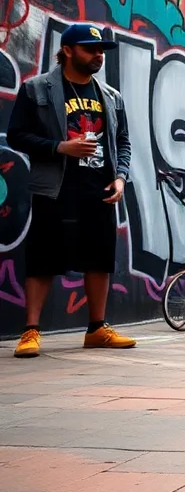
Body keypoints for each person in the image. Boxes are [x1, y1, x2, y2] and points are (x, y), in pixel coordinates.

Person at [8, 23, 136, 357]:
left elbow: (123, 141)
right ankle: (31, 331)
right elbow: (17, 135)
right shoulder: (37, 88)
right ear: (67, 50)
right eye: (90, 49)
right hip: (55, 187)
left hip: (100, 187)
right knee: (43, 257)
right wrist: (59, 147)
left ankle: (97, 329)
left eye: (101, 50)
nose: (98, 55)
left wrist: (121, 177)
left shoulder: (111, 96)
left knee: (99, 258)